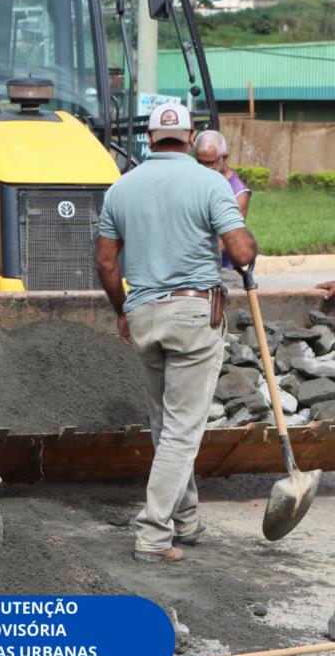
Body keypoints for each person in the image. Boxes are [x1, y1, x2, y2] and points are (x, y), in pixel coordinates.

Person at [96, 103, 257, 564]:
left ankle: (185, 520)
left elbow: (107, 262)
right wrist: (247, 244)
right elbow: (241, 252)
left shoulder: (121, 188)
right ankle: (152, 534)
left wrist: (121, 312)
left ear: (149, 139)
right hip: (193, 314)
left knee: (166, 425)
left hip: (143, 312)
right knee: (183, 432)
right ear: (189, 140)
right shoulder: (211, 182)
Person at [195, 129, 251, 288]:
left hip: (221, 270)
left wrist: (192, 261)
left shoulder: (238, 193)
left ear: (224, 158)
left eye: (210, 163)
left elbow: (227, 240)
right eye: (200, 162)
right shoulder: (197, 180)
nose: (204, 168)